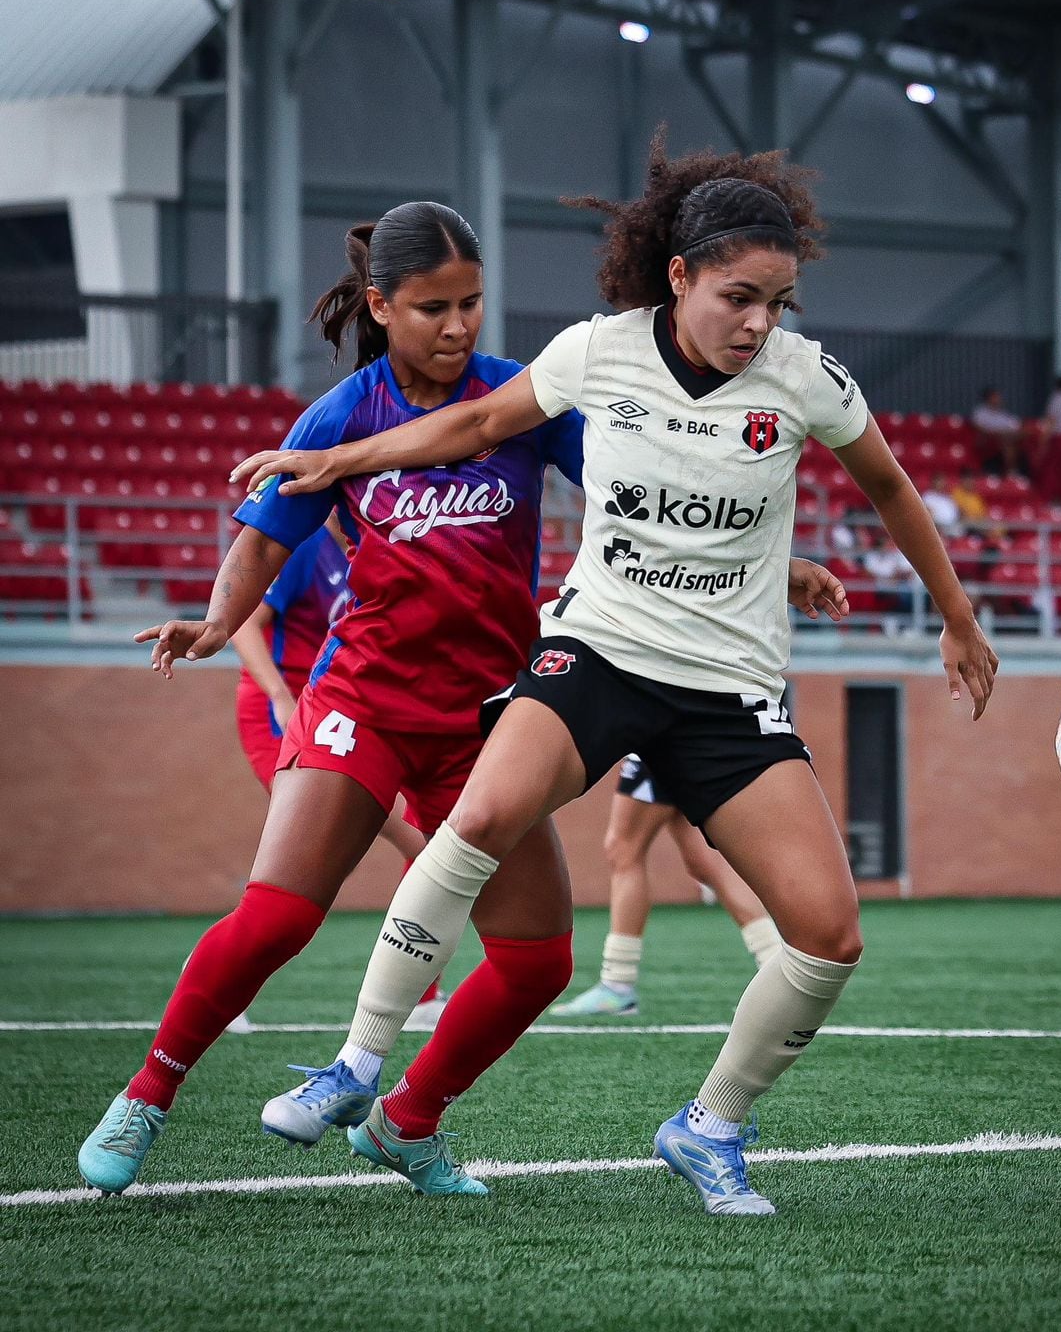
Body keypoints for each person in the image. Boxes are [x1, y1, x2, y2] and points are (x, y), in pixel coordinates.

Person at [231, 134, 998, 1217]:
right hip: (597, 651)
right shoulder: (600, 350)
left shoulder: (807, 379)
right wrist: (337, 460)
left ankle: (709, 1127)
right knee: (483, 813)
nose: (758, 323)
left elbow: (891, 488)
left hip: (728, 689)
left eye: (776, 301)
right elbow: (478, 421)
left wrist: (957, 617)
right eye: (737, 296)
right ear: (678, 278)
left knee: (829, 935)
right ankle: (358, 1064)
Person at [77, 201, 587, 1199]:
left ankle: (407, 1123)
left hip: (488, 721)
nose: (458, 324)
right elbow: (263, 541)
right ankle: (144, 1094)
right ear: (380, 304)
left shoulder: (519, 401)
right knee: (275, 917)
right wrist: (219, 622)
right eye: (434, 306)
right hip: (363, 698)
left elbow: (623, 487)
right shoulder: (343, 414)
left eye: (472, 302)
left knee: (537, 961)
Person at [229, 513, 445, 1033]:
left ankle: (420, 995)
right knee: (397, 846)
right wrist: (281, 697)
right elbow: (242, 623)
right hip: (286, 711)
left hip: (341, 710)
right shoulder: (305, 546)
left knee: (417, 845)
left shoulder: (367, 545)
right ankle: (218, 973)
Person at [551, 755, 780, 1018]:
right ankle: (775, 966)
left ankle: (618, 982)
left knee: (624, 848)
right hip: (691, 740)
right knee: (704, 860)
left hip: (660, 738)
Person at [970, 386, 1024, 475]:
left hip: (1006, 440)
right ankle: (1011, 472)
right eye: (995, 397)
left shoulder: (1003, 415)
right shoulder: (980, 412)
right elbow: (979, 428)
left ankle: (1014, 471)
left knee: (1015, 438)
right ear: (988, 398)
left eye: (998, 397)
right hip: (987, 441)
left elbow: (1016, 426)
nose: (998, 399)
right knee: (1007, 441)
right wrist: (998, 433)